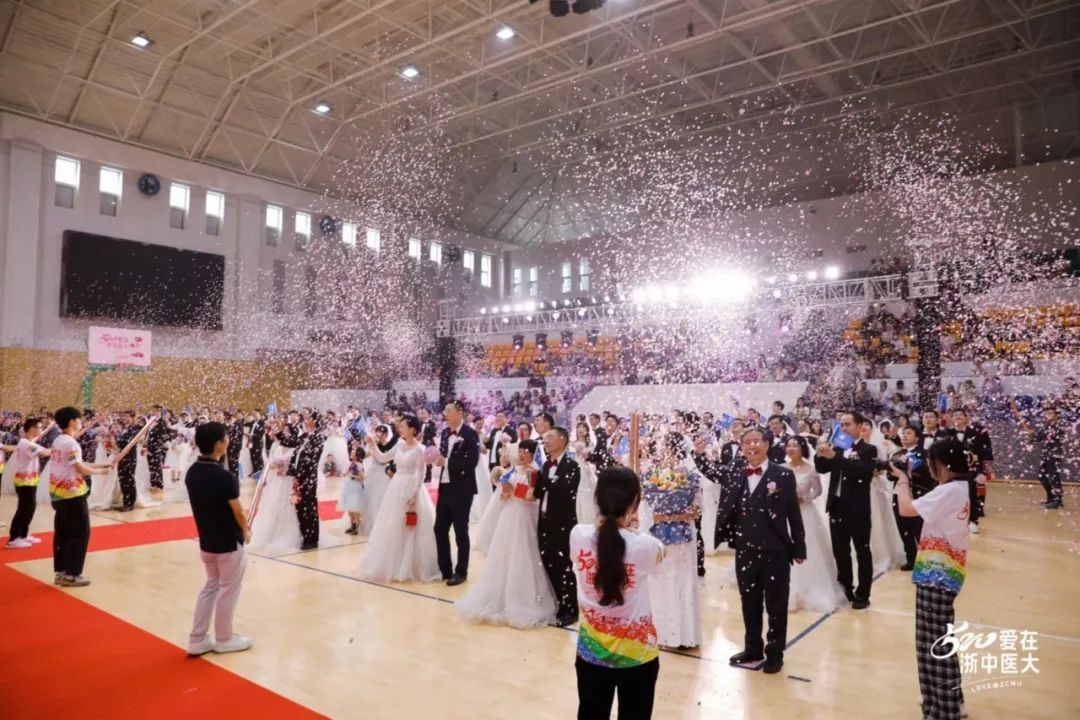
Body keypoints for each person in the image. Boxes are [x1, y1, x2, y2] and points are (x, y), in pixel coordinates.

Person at [570, 466, 664, 720]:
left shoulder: (578, 535)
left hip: (592, 653)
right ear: (634, 504)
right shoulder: (646, 545)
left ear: (597, 499)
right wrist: (635, 530)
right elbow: (659, 556)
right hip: (637, 655)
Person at [894, 439, 972, 720]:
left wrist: (902, 481)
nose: (929, 467)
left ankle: (942, 711)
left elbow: (906, 509)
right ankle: (951, 703)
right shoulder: (958, 488)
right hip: (945, 572)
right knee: (940, 642)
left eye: (932, 462)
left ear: (944, 464)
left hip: (936, 575)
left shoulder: (949, 491)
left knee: (933, 646)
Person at [716, 427, 806, 674]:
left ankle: (775, 652)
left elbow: (793, 512)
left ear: (767, 445)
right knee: (749, 601)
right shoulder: (736, 472)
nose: (751, 446)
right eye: (747, 442)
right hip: (745, 548)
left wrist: (799, 546)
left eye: (756, 441)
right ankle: (752, 648)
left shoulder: (783, 475)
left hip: (775, 549)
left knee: (776, 604)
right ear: (741, 447)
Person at [456, 439, 557, 628]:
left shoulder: (535, 472)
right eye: (521, 450)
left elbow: (533, 497)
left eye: (526, 451)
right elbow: (504, 492)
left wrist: (514, 492)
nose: (522, 454)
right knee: (503, 553)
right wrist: (505, 492)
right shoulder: (513, 470)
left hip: (524, 516)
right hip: (509, 514)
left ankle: (522, 595)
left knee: (523, 552)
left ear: (533, 453)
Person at [185, 421, 252, 656]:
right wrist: (246, 530)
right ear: (219, 444)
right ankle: (224, 638)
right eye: (226, 439)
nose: (228, 442)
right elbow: (238, 511)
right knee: (228, 590)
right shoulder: (224, 477)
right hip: (227, 542)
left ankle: (197, 638)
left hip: (207, 540)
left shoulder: (192, 472)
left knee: (211, 587)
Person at [361, 415, 440, 583]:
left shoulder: (420, 449)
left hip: (412, 488)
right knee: (393, 523)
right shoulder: (399, 444)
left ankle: (412, 565)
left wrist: (415, 494)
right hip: (396, 486)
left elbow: (421, 473)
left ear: (412, 429)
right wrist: (372, 445)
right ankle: (393, 562)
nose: (400, 429)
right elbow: (383, 458)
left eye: (403, 426)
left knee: (411, 526)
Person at [815, 412, 877, 609]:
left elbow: (862, 472)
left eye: (848, 424)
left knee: (862, 550)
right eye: (841, 425)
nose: (843, 428)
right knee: (840, 551)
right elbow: (822, 469)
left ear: (860, 426)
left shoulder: (868, 449)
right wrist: (820, 453)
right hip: (837, 506)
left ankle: (863, 593)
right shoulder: (838, 447)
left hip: (857, 508)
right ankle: (845, 587)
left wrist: (835, 457)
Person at [48, 407, 112, 587]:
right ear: (71, 421)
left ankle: (62, 572)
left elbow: (76, 464)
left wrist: (101, 465)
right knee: (79, 533)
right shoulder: (71, 444)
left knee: (63, 533)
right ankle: (73, 574)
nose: (81, 422)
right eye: (79, 419)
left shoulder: (58, 441)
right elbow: (79, 468)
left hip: (59, 495)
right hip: (72, 495)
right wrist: (101, 472)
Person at [784, 436, 845, 613]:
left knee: (809, 548)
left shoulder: (811, 469)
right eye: (789, 446)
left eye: (795, 446)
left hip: (805, 513)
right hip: (786, 515)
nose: (791, 449)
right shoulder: (781, 468)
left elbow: (818, 491)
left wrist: (805, 498)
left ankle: (811, 587)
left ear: (803, 448)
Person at [537, 426, 581, 627]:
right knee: (548, 563)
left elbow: (565, 490)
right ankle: (557, 604)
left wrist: (547, 483)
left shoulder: (572, 465)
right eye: (545, 437)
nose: (546, 441)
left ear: (562, 440)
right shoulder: (546, 465)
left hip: (562, 523)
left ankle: (570, 609)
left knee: (563, 566)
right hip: (545, 520)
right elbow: (540, 491)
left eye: (550, 437)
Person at [433, 401, 480, 586]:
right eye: (445, 410)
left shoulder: (470, 434)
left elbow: (472, 462)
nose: (445, 413)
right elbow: (444, 456)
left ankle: (461, 572)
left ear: (460, 413)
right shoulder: (445, 433)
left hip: (462, 489)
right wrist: (436, 459)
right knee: (439, 528)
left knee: (461, 531)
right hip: (445, 487)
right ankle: (445, 569)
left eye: (449, 410)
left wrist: (446, 462)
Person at [890, 427, 936, 569]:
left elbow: (928, 474)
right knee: (903, 527)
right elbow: (889, 475)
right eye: (903, 433)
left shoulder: (924, 453)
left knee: (919, 527)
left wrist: (910, 471)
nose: (904, 436)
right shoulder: (897, 454)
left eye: (909, 433)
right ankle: (910, 557)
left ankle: (926, 559)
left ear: (917, 438)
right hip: (899, 492)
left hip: (918, 493)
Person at [4, 417, 48, 548]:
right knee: (24, 509)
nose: (41, 430)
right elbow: (44, 453)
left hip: (30, 480)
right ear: (31, 429)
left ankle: (23, 534)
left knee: (29, 509)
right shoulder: (25, 443)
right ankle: (14, 538)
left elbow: (44, 451)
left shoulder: (29, 442)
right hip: (24, 481)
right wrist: (57, 449)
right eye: (39, 427)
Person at [288, 413, 326, 551]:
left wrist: (300, 473)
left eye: (309, 418)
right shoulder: (304, 436)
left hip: (309, 477)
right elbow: (294, 453)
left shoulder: (318, 437)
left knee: (309, 507)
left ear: (315, 422)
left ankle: (312, 539)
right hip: (299, 477)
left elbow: (311, 459)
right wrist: (291, 469)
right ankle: (304, 535)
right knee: (300, 506)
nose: (305, 420)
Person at [339, 446, 366, 535]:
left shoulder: (359, 465)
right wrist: (344, 474)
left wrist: (353, 476)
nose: (351, 453)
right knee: (349, 507)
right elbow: (347, 472)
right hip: (349, 486)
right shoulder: (352, 463)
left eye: (353, 453)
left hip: (355, 487)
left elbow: (362, 477)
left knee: (354, 508)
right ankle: (353, 524)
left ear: (357, 455)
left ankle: (357, 527)